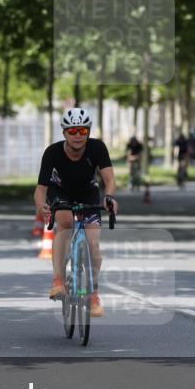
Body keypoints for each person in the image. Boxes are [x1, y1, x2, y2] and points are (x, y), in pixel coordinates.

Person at [34, 108, 118, 318]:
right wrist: (40, 205)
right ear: (64, 133)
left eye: (82, 130)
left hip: (88, 193)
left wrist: (109, 198)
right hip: (60, 192)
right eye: (72, 131)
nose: (78, 135)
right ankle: (58, 281)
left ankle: (93, 294)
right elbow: (41, 189)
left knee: (94, 242)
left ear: (88, 131)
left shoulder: (97, 148)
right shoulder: (52, 152)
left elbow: (109, 179)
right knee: (64, 221)